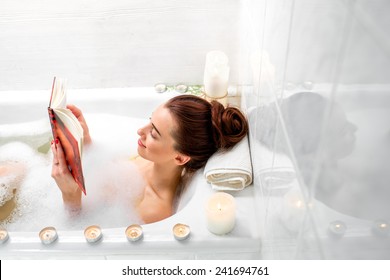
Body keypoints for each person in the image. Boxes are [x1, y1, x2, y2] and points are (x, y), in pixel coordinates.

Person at [51, 95, 248, 224]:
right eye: (149, 121)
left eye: (154, 133)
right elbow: (105, 169)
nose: (140, 131)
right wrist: (85, 141)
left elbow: (78, 232)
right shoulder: (148, 158)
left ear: (180, 157)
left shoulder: (154, 210)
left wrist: (70, 194)